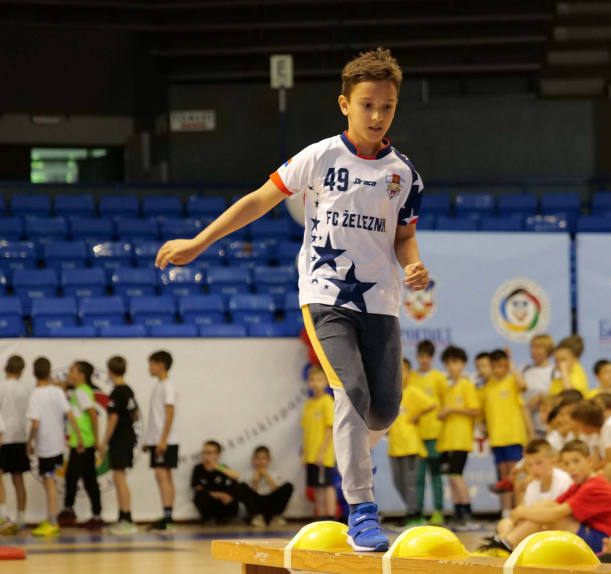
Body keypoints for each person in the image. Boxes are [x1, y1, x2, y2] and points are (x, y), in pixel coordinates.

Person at [155, 48, 427, 552]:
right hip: (325, 296)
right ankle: (362, 511)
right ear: (344, 104)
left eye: (387, 106)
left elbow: (404, 236)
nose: (377, 115)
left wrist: (412, 262)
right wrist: (199, 242)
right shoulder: (319, 156)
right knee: (352, 393)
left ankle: (353, 456)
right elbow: (258, 200)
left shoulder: (404, 174)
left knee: (385, 411)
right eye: (367, 105)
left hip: (381, 302)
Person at [475, 440, 611, 558]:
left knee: (548, 517)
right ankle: (504, 543)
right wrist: (521, 513)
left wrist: (521, 512)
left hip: (604, 542)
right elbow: (550, 505)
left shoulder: (594, 485)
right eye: (567, 464)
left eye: (576, 461)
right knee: (542, 508)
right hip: (588, 534)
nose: (571, 468)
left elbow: (556, 514)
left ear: (589, 461)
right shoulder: (578, 485)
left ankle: (506, 545)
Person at [26, 357, 82, 538]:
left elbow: (35, 423)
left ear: (34, 373)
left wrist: (29, 442)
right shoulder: (57, 392)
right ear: (49, 373)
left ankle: (52, 521)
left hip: (46, 445)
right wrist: (79, 437)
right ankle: (50, 517)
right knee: (49, 480)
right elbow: (70, 415)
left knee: (49, 481)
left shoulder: (36, 394)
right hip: (57, 445)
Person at [482, 349, 531, 518]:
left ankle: (520, 510)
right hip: (497, 439)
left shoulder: (511, 382)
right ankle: (506, 512)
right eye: (494, 366)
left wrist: (512, 367)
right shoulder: (487, 387)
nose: (497, 370)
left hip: (514, 436)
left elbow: (523, 386)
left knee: (517, 474)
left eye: (501, 366)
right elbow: (482, 413)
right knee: (504, 477)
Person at [437, 345, 480, 530]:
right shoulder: (447, 388)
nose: (451, 366)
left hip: (460, 440)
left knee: (456, 477)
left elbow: (475, 411)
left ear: (463, 364)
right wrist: (443, 413)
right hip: (447, 441)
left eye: (454, 362)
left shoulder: (466, 385)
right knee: (451, 478)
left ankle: (468, 515)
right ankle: (458, 515)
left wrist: (452, 409)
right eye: (447, 363)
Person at [388, 358, 434, 528]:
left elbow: (431, 404)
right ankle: (412, 512)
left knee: (410, 483)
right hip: (395, 446)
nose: (400, 374)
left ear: (408, 373)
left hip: (410, 445)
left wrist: (416, 416)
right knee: (398, 482)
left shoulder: (412, 391)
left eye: (403, 370)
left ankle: (414, 515)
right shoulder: (390, 394)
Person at [495, 439, 573, 538]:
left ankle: (505, 541)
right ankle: (507, 540)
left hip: (558, 530)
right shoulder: (533, 485)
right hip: (534, 529)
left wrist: (523, 513)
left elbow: (558, 516)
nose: (534, 469)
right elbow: (517, 513)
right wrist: (520, 515)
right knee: (504, 523)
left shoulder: (564, 481)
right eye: (529, 465)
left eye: (539, 463)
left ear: (552, 462)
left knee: (535, 521)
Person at [98, 356, 140, 536]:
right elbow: (136, 414)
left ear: (110, 371)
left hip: (120, 440)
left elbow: (113, 418)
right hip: (128, 437)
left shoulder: (116, 393)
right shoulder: (128, 390)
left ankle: (126, 519)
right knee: (119, 477)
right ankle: (123, 517)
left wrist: (103, 442)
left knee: (119, 477)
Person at [58, 361, 103, 531]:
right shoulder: (79, 390)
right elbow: (63, 385)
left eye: (72, 371)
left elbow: (93, 415)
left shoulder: (81, 392)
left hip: (82, 443)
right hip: (82, 442)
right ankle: (96, 516)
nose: (68, 374)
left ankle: (68, 510)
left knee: (72, 476)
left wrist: (96, 440)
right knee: (89, 479)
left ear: (82, 375)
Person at [408, 340, 447, 526]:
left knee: (436, 475)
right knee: (417, 477)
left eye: (428, 356)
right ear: (417, 356)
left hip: (435, 435)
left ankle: (438, 511)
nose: (424, 360)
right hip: (415, 436)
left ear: (432, 358)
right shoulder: (411, 378)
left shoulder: (439, 378)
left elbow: (445, 405)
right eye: (421, 356)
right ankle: (418, 513)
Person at [144, 350, 179, 532]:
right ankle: (167, 516)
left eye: (151, 364)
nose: (149, 368)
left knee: (162, 475)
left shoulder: (167, 386)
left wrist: (163, 440)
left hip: (165, 439)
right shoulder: (159, 386)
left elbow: (169, 413)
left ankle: (167, 517)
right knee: (164, 475)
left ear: (161, 365)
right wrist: (149, 440)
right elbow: (155, 416)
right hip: (158, 439)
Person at [301, 365, 336, 521]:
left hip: (323, 455)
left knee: (327, 485)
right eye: (312, 380)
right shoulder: (309, 404)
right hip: (311, 455)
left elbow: (330, 428)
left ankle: (331, 517)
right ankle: (320, 516)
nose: (315, 383)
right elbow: (306, 431)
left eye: (319, 380)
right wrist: (304, 453)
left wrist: (322, 452)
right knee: (317, 487)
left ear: (326, 382)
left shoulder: (327, 401)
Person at [0, 355, 29, 534]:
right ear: (21, 371)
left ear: (5, 369)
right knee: (18, 479)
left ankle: (3, 517)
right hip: (19, 437)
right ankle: (21, 519)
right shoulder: (25, 389)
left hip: (3, 437)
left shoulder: (1, 387)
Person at [241, 446, 294, 527]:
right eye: (257, 458)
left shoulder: (275, 475)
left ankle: (275, 517)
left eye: (263, 458)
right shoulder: (248, 475)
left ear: (269, 460)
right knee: (241, 486)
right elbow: (250, 495)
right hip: (257, 504)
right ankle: (257, 517)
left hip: (271, 503)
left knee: (288, 486)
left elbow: (277, 491)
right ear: (253, 460)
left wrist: (266, 475)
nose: (260, 461)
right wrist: (256, 479)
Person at [191, 441, 241, 525]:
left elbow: (236, 476)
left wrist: (217, 466)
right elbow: (197, 487)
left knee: (238, 486)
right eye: (204, 452)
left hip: (224, 502)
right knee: (200, 495)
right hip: (210, 501)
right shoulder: (198, 468)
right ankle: (209, 519)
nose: (205, 455)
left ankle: (230, 517)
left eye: (209, 453)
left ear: (218, 455)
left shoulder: (221, 467)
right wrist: (218, 495)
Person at [522, 334, 555, 436]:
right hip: (526, 428)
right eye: (532, 347)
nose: (534, 351)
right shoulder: (524, 370)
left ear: (548, 349)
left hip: (547, 428)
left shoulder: (554, 372)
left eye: (538, 347)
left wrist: (542, 398)